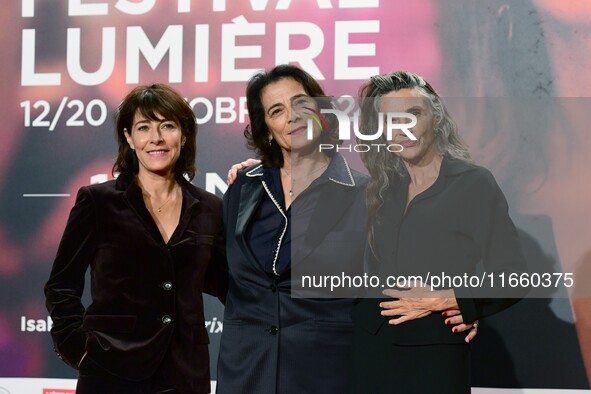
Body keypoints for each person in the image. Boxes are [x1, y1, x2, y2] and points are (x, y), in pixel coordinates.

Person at [218, 64, 477, 394]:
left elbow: (403, 275)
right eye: (277, 110)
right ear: (267, 129)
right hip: (245, 372)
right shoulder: (243, 188)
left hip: (326, 374)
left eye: (301, 103)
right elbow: (218, 272)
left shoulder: (368, 195)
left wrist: (460, 305)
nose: (292, 117)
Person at [351, 71, 529, 393]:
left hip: (434, 356)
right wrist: (254, 169)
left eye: (413, 114)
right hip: (369, 353)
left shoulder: (473, 183)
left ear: (435, 117)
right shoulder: (380, 190)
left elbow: (513, 275)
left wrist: (451, 299)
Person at [44, 84, 227, 393]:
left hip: (185, 373)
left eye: (167, 125)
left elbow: (229, 286)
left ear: (183, 135)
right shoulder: (98, 201)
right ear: (129, 137)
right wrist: (79, 350)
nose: (156, 138)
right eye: (144, 127)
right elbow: (61, 285)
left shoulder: (211, 207)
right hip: (111, 371)